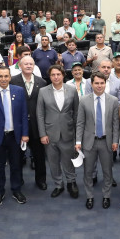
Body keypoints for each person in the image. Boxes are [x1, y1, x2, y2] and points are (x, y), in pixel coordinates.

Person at [0, 66, 29, 205]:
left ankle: (16, 190)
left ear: (10, 77)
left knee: (16, 165)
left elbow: (23, 115)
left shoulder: (19, 91)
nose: (3, 79)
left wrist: (25, 134)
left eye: (6, 76)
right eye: (0, 76)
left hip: (15, 136)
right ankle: (0, 191)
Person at [75, 73, 120, 210]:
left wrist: (115, 141)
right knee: (88, 172)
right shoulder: (83, 100)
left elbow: (115, 124)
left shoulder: (113, 100)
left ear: (105, 84)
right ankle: (90, 196)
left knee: (107, 172)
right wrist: (78, 141)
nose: (99, 86)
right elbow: (80, 123)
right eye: (97, 83)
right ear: (92, 84)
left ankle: (106, 196)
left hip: (106, 142)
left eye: (102, 83)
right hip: (89, 142)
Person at [37, 64, 80, 199]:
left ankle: (71, 182)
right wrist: (42, 134)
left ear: (63, 75)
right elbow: (40, 114)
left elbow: (77, 113)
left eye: (58, 74)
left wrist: (76, 134)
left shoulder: (72, 90)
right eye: (53, 75)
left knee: (68, 160)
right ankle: (58, 184)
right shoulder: (43, 91)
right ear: (49, 77)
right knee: (53, 161)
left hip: (67, 132)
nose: (56, 77)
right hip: (49, 133)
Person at [10, 56, 48, 191]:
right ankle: (18, 179)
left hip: (37, 125)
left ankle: (41, 180)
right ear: (20, 65)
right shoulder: (12, 81)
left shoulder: (42, 82)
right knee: (18, 156)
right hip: (19, 125)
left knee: (39, 156)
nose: (28, 66)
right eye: (25, 64)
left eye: (31, 64)